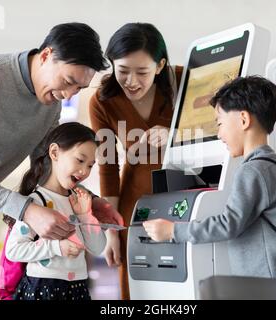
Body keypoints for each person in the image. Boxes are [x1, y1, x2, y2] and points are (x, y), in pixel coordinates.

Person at [0, 22, 121, 300]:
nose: (67, 95)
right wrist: (27, 211)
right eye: (67, 82)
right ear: (45, 56)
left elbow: (47, 166)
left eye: (78, 88)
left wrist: (91, 200)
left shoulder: (50, 105)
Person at [143, 76, 276, 278]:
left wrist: (173, 231)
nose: (219, 134)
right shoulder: (274, 166)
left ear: (243, 120)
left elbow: (228, 224)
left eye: (220, 123)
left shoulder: (253, 170)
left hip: (266, 284)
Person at [89, 22, 182, 299]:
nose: (131, 81)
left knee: (181, 274)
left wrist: (175, 136)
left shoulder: (182, 82)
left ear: (160, 65)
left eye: (142, 72)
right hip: (134, 198)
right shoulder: (103, 101)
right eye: (122, 71)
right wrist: (112, 231)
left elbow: (217, 129)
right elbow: (107, 166)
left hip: (183, 192)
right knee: (137, 278)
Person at [4, 122, 106, 301]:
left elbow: (97, 248)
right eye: (80, 160)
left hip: (78, 288)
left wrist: (86, 215)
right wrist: (56, 247)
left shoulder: (79, 201)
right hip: (43, 289)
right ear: (54, 153)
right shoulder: (36, 203)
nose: (84, 171)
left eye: (90, 165)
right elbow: (13, 250)